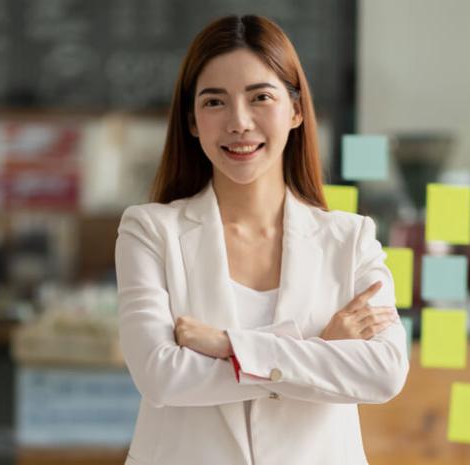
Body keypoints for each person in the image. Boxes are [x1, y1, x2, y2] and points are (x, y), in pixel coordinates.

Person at [114, 14, 408, 465]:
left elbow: (384, 374)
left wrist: (226, 345)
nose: (239, 122)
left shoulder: (350, 240)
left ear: (295, 111)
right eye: (214, 102)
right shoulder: (151, 231)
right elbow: (161, 377)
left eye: (260, 98)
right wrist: (321, 351)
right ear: (192, 120)